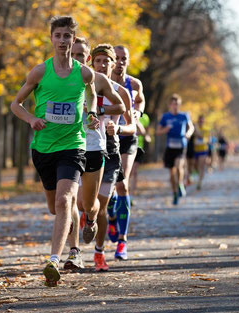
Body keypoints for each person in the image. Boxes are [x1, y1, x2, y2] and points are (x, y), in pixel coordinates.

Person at [10, 16, 100, 286]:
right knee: (56, 206)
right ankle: (72, 245)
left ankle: (54, 259)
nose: (62, 40)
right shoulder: (40, 72)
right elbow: (16, 104)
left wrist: (92, 112)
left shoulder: (84, 72)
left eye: (67, 36)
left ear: (74, 40)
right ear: (52, 39)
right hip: (43, 147)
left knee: (65, 201)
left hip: (73, 145)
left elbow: (92, 94)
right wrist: (31, 120)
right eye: (58, 35)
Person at [64, 37, 126, 270]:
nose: (101, 65)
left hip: (104, 148)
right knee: (72, 201)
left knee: (97, 205)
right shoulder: (66, 81)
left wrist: (101, 112)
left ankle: (99, 252)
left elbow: (122, 109)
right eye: (75, 54)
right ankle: (74, 251)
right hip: (73, 145)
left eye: (83, 56)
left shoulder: (104, 84)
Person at [90, 43, 136, 270]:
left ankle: (104, 250)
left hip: (109, 150)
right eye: (97, 61)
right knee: (85, 205)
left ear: (112, 65)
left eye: (106, 62)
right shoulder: (82, 88)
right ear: (92, 63)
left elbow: (132, 127)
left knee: (103, 202)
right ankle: (88, 221)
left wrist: (117, 130)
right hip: (83, 149)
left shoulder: (122, 92)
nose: (102, 65)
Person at [106, 45, 146, 260]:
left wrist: (137, 113)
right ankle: (111, 217)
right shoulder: (103, 82)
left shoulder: (134, 83)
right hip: (107, 138)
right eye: (117, 58)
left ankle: (123, 241)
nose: (120, 62)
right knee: (109, 189)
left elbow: (140, 100)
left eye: (124, 59)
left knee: (122, 183)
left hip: (127, 137)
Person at [157, 94, 194, 205]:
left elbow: (191, 127)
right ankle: (174, 193)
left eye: (177, 104)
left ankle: (180, 184)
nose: (175, 106)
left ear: (179, 105)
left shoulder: (184, 116)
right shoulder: (165, 117)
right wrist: (165, 130)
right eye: (173, 104)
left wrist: (188, 133)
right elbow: (158, 131)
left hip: (181, 145)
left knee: (179, 166)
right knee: (172, 173)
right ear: (170, 105)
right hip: (170, 147)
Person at [129, 112, 151, 203]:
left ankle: (131, 195)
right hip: (127, 146)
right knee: (128, 173)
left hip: (138, 147)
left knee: (134, 172)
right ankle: (124, 193)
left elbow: (145, 131)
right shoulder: (127, 112)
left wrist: (147, 136)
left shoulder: (145, 117)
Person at [193, 115, 210, 190]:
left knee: (201, 166)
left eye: (202, 121)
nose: (201, 122)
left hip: (203, 150)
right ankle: (197, 175)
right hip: (195, 150)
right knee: (195, 166)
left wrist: (196, 131)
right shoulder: (194, 128)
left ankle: (199, 182)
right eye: (199, 120)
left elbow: (201, 136)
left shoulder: (206, 129)